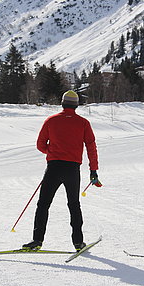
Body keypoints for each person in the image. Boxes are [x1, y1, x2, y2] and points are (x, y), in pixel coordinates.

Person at [23, 90, 101, 251]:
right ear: (76, 105)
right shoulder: (83, 123)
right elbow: (91, 147)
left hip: (54, 167)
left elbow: (40, 145)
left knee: (43, 204)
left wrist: (51, 152)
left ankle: (37, 240)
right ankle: (78, 242)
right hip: (72, 169)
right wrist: (93, 170)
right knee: (74, 204)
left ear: (62, 103)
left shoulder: (51, 121)